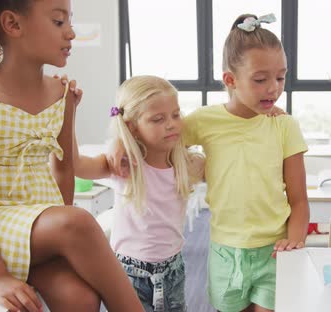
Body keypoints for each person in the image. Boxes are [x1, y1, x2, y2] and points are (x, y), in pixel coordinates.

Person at [0, 1, 142, 311]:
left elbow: (64, 169)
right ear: (13, 25)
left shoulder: (62, 93)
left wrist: (60, 235)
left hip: (34, 225)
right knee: (78, 222)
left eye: (70, 21)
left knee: (80, 298)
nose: (70, 33)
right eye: (58, 22)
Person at [108, 13, 309, 312]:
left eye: (280, 77)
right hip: (225, 250)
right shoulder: (204, 120)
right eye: (260, 79)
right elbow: (154, 136)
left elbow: (299, 199)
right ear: (230, 79)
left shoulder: (285, 126)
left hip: (274, 251)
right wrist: (119, 139)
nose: (273, 88)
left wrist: (295, 241)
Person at [73, 75, 204, 311]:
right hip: (128, 275)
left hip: (173, 270)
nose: (171, 124)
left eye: (176, 115)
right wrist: (67, 115)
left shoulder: (189, 164)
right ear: (133, 126)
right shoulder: (123, 166)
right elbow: (75, 165)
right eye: (158, 119)